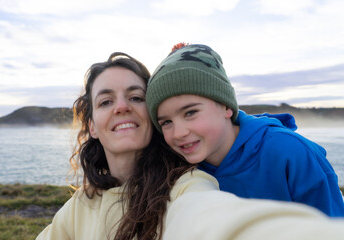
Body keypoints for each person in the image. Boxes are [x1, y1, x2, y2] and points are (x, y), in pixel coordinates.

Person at [37, 50, 344, 240]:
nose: (121, 107)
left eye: (135, 97)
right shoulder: (81, 205)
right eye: (106, 101)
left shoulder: (185, 184)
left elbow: (207, 218)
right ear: (91, 125)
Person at [145, 43, 344, 217]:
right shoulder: (177, 168)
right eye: (166, 122)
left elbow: (331, 225)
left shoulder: (292, 154)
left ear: (226, 107)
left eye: (190, 113)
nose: (179, 133)